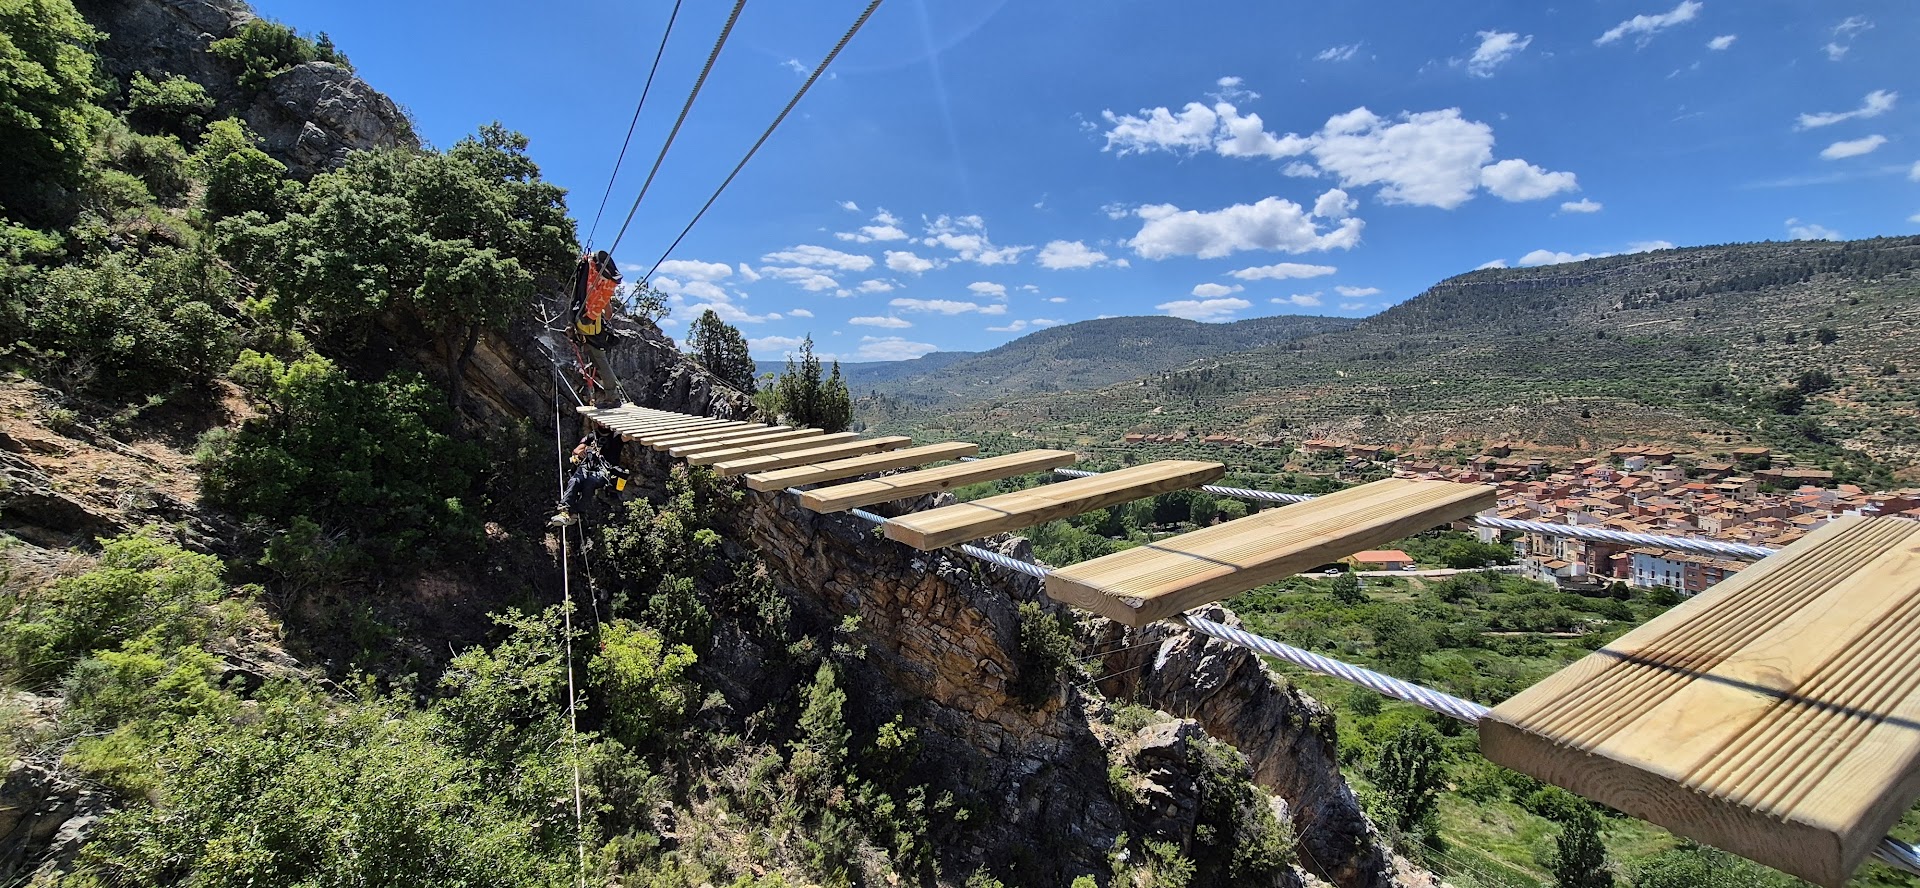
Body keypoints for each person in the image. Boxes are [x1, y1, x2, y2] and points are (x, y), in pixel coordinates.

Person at [569, 251, 622, 401]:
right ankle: (611, 395)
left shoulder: (586, 285)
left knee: (598, 360)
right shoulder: (599, 293)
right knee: (600, 359)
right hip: (592, 328)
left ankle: (611, 395)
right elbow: (608, 314)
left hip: (582, 326)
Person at [549, 433, 631, 526]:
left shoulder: (615, 437)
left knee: (590, 482)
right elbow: (576, 450)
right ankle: (564, 510)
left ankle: (576, 512)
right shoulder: (592, 435)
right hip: (588, 466)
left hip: (604, 470)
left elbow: (626, 437)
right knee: (575, 480)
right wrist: (580, 452)